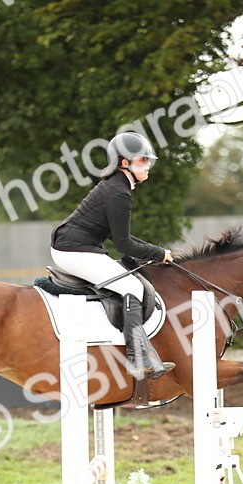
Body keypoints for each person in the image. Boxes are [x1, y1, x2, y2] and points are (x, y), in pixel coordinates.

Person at [50, 131, 175, 381]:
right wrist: (159, 253)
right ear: (124, 163)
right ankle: (137, 359)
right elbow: (124, 244)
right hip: (73, 251)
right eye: (142, 160)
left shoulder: (117, 186)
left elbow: (122, 238)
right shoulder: (119, 192)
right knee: (132, 287)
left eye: (148, 160)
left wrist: (158, 252)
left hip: (75, 247)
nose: (148, 165)